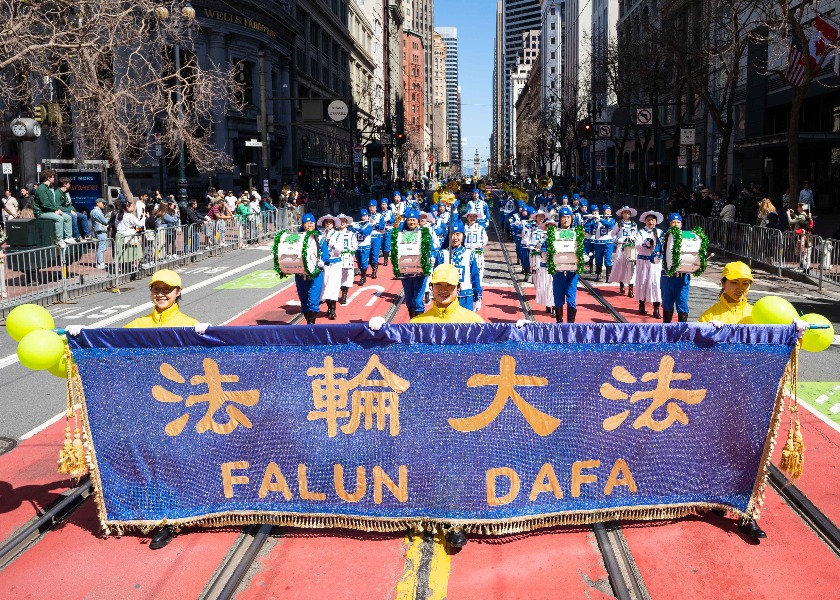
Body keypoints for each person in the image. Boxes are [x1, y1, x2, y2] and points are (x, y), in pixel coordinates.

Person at [66, 269, 209, 549]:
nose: (161, 293)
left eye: (167, 289)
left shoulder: (190, 324)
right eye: (156, 288)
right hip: (144, 410)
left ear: (179, 292)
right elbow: (107, 348)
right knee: (150, 463)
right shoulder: (137, 325)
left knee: (174, 464)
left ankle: (175, 518)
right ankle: (161, 519)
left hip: (178, 412)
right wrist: (80, 338)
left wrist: (208, 338)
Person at [406, 263, 485, 324]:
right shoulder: (417, 324)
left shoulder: (474, 322)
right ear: (431, 287)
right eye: (438, 284)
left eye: (449, 285)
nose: (443, 289)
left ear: (458, 288)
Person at [439, 220, 482, 311]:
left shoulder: (469, 254)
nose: (455, 238)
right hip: (446, 297)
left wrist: (478, 297)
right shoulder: (442, 254)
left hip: (466, 297)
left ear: (463, 236)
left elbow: (475, 276)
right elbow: (436, 277)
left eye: (458, 234)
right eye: (452, 234)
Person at [295, 213, 328, 324]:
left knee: (313, 302)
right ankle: (309, 327)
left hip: (316, 275)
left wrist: (322, 262)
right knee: (304, 302)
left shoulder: (321, 238)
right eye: (307, 223)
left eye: (312, 222)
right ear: (303, 225)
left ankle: (310, 327)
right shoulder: (297, 238)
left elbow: (326, 255)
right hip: (300, 275)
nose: (309, 225)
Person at [659, 213, 692, 323]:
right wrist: (658, 254)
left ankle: (682, 331)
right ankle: (667, 330)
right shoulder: (664, 237)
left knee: (682, 304)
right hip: (667, 277)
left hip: (683, 278)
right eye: (673, 222)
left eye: (678, 222)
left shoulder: (687, 236)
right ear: (669, 223)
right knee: (667, 304)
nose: (676, 224)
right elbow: (655, 255)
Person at [551, 206, 580, 323]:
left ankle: (571, 325)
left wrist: (584, 256)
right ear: (560, 219)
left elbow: (581, 249)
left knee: (571, 298)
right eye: (563, 217)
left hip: (572, 272)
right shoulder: (554, 233)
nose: (566, 220)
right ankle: (559, 322)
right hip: (558, 271)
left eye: (568, 217)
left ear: (572, 219)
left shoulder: (576, 233)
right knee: (558, 298)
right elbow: (547, 248)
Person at [33, 170, 74, 248]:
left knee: (68, 217)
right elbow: (45, 204)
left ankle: (68, 237)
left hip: (48, 211)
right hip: (41, 212)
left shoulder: (48, 188)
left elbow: (52, 203)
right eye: (52, 177)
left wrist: (57, 209)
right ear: (48, 178)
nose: (54, 178)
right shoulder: (41, 189)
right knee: (59, 218)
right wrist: (55, 210)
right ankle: (59, 239)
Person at [636, 211, 663, 318]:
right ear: (645, 221)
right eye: (648, 220)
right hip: (643, 261)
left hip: (655, 262)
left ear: (656, 222)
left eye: (653, 220)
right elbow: (637, 246)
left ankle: (656, 308)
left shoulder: (660, 232)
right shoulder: (641, 232)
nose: (651, 222)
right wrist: (647, 243)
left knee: (656, 283)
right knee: (643, 282)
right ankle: (641, 304)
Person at [609, 206, 638, 296]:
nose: (626, 214)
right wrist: (618, 239)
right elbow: (613, 234)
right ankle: (622, 285)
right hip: (621, 247)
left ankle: (631, 288)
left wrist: (634, 239)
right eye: (625, 213)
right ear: (622, 214)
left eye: (628, 213)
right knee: (621, 266)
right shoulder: (618, 224)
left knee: (631, 267)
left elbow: (636, 235)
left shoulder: (634, 224)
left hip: (631, 248)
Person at [318, 215, 342, 320]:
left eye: (330, 222)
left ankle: (333, 309)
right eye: (326, 222)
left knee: (334, 286)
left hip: (335, 263)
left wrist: (333, 245)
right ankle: (328, 307)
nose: (328, 224)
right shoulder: (321, 235)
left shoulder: (338, 234)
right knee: (325, 285)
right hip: (325, 264)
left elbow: (340, 250)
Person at [529, 210, 553, 313]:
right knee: (545, 284)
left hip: (557, 266)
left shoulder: (557, 237)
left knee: (554, 286)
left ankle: (555, 306)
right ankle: (548, 304)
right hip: (542, 262)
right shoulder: (536, 232)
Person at [333, 214, 357, 305]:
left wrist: (351, 251)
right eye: (340, 221)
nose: (342, 223)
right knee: (336, 276)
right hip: (337, 258)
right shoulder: (334, 233)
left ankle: (344, 295)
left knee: (347, 276)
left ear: (346, 223)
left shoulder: (351, 233)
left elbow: (355, 245)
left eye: (344, 221)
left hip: (347, 258)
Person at [463, 208, 488, 284]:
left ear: (476, 218)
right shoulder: (464, 228)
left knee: (478, 269)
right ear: (467, 217)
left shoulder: (480, 228)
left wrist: (480, 244)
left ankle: (478, 286)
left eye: (474, 216)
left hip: (477, 252)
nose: (472, 218)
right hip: (466, 252)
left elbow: (485, 239)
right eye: (470, 216)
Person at [592, 204, 616, 282]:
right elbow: (591, 228)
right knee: (598, 259)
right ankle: (598, 274)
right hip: (598, 243)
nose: (608, 212)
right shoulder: (597, 219)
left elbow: (609, 225)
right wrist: (592, 219)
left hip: (608, 243)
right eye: (607, 210)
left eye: (609, 210)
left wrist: (600, 219)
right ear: (603, 211)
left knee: (608, 259)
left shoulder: (612, 220)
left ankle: (608, 277)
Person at [353, 208, 374, 285]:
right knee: (359, 263)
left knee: (363, 262)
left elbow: (365, 233)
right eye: (363, 216)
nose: (365, 217)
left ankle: (363, 277)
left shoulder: (369, 225)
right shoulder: (357, 224)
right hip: (358, 247)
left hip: (365, 247)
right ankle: (362, 275)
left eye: (366, 216)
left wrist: (358, 229)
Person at [89, 198, 110, 269]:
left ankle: (100, 263)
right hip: (100, 231)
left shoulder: (95, 211)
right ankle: (100, 263)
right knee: (101, 248)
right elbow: (105, 221)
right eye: (103, 203)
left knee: (99, 248)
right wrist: (108, 217)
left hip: (98, 231)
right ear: (97, 203)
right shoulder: (96, 211)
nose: (104, 205)